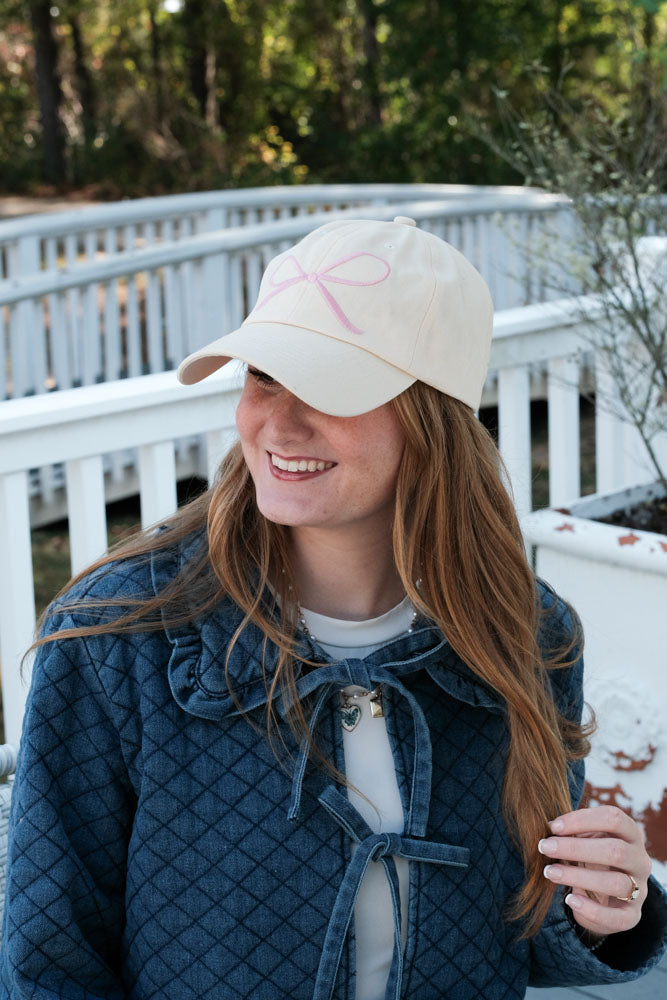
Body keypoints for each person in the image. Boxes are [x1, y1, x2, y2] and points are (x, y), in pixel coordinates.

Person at [1, 216, 665, 1000]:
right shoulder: (116, 636)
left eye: (326, 387)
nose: (277, 422)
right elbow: (49, 961)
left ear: (432, 420)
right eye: (262, 375)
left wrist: (607, 906)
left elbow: (512, 939)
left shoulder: (527, 633)